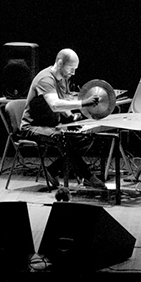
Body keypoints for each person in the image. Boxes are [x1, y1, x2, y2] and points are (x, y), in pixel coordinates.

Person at [20, 48, 107, 190]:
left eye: (75, 69)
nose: (73, 72)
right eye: (71, 68)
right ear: (60, 63)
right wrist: (83, 103)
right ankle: (88, 176)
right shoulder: (46, 79)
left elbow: (63, 100)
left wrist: (71, 116)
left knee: (85, 137)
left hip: (52, 125)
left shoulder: (64, 79)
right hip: (32, 127)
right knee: (63, 138)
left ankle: (52, 170)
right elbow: (55, 105)